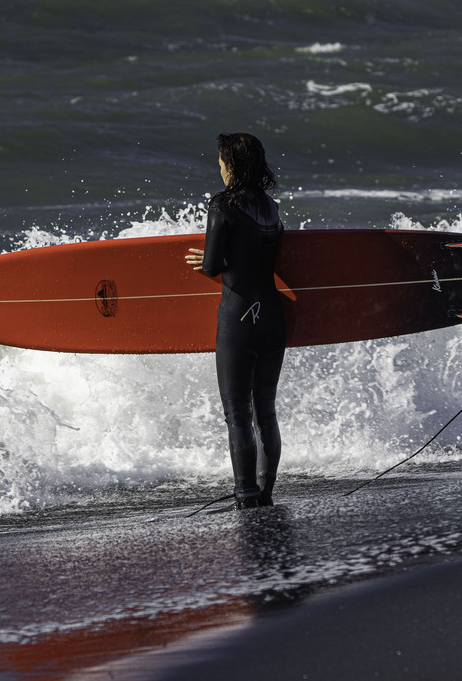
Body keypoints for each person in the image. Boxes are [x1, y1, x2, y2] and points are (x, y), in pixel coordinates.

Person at [185, 133, 286, 509]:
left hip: (239, 318)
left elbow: (212, 265)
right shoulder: (272, 209)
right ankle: (266, 494)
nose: (219, 167)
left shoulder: (222, 205)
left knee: (237, 415)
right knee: (266, 412)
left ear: (232, 165)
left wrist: (205, 262)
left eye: (221, 161)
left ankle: (245, 494)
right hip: (273, 317)